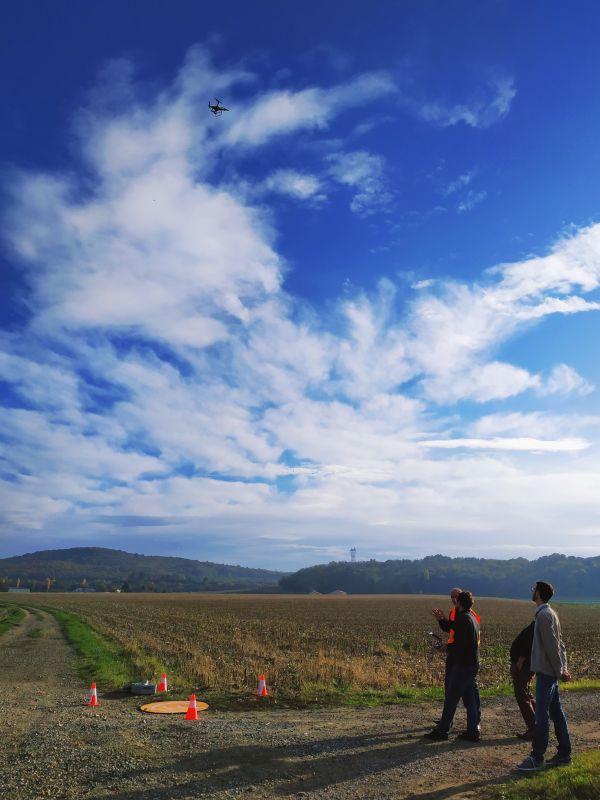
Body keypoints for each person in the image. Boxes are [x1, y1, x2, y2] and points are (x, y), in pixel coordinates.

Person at [516, 581, 572, 772]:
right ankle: (564, 754)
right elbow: (560, 645)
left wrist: (560, 671)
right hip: (551, 673)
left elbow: (553, 647)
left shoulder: (544, 616)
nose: (531, 591)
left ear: (538, 593)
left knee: (541, 716)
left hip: (547, 674)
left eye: (533, 589)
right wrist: (562, 669)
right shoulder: (550, 614)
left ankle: (537, 758)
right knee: (557, 713)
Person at [424, 590, 481, 742]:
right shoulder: (471, 617)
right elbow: (453, 629)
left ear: (460, 602)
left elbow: (461, 644)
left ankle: (442, 731)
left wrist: (446, 648)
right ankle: (473, 732)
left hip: (463, 664)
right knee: (470, 700)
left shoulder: (463, 618)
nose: (453, 601)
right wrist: (442, 619)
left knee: (451, 698)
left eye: (456, 598)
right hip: (471, 663)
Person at [510, 620, 536, 739]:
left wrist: (521, 659)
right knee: (527, 694)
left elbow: (529, 643)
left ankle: (534, 728)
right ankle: (540, 723)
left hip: (524, 666)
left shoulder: (535, 627)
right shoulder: (537, 625)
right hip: (527, 665)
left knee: (522, 695)